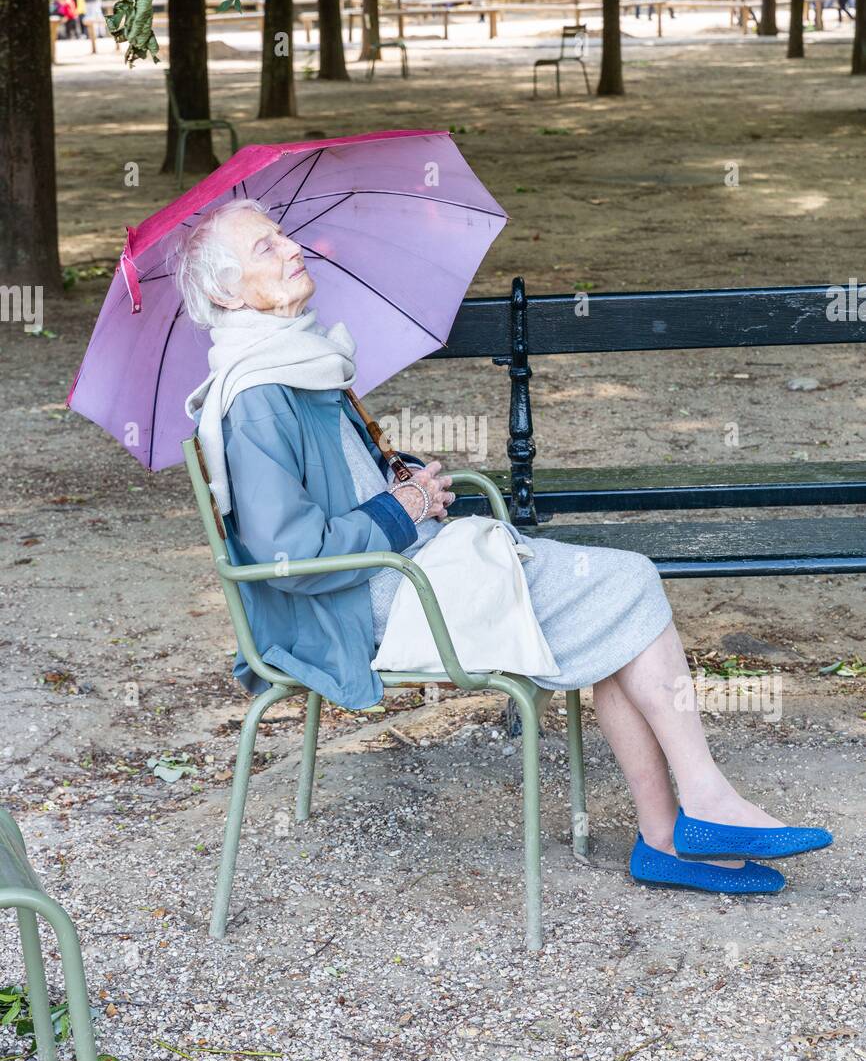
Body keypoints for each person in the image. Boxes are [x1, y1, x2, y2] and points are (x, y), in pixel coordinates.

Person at [175, 199, 833, 895]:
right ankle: (698, 809)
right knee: (630, 580)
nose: (290, 248)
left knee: (610, 606)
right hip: (366, 602)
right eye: (264, 249)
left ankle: (672, 834)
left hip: (404, 571)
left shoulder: (299, 364)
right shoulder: (258, 395)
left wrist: (402, 482)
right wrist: (402, 509)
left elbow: (338, 493)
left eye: (283, 235)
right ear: (226, 292)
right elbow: (294, 557)